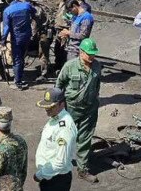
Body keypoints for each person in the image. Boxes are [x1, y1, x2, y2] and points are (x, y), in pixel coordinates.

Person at [56, 38, 101, 183]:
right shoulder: (70, 66)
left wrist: (94, 100)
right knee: (65, 138)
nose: (91, 56)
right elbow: (59, 85)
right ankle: (58, 165)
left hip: (89, 110)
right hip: (71, 109)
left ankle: (83, 170)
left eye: (93, 54)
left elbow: (97, 85)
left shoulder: (97, 67)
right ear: (81, 52)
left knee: (85, 140)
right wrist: (59, 106)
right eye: (89, 53)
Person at [34, 87, 77, 190]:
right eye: (46, 106)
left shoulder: (64, 127)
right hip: (49, 176)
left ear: (61, 104)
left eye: (51, 107)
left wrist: (40, 175)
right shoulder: (55, 118)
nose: (47, 109)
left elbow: (60, 162)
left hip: (56, 179)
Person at [2, 0, 35, 90]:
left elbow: (6, 27)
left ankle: (18, 81)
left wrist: (3, 40)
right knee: (22, 57)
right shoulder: (26, 5)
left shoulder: (7, 10)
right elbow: (34, 12)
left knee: (17, 59)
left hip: (16, 38)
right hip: (27, 36)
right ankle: (20, 77)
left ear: (7, 0)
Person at [25, 0, 51, 81]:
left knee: (43, 54)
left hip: (43, 34)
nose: (26, 3)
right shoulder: (33, 8)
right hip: (38, 33)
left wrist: (31, 36)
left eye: (28, 1)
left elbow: (34, 26)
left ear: (32, 1)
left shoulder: (37, 10)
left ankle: (43, 75)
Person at [53, 0, 73, 74]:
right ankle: (57, 65)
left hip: (65, 29)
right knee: (57, 48)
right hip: (58, 28)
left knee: (63, 49)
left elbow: (71, 18)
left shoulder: (70, 4)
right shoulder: (62, 3)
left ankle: (62, 68)